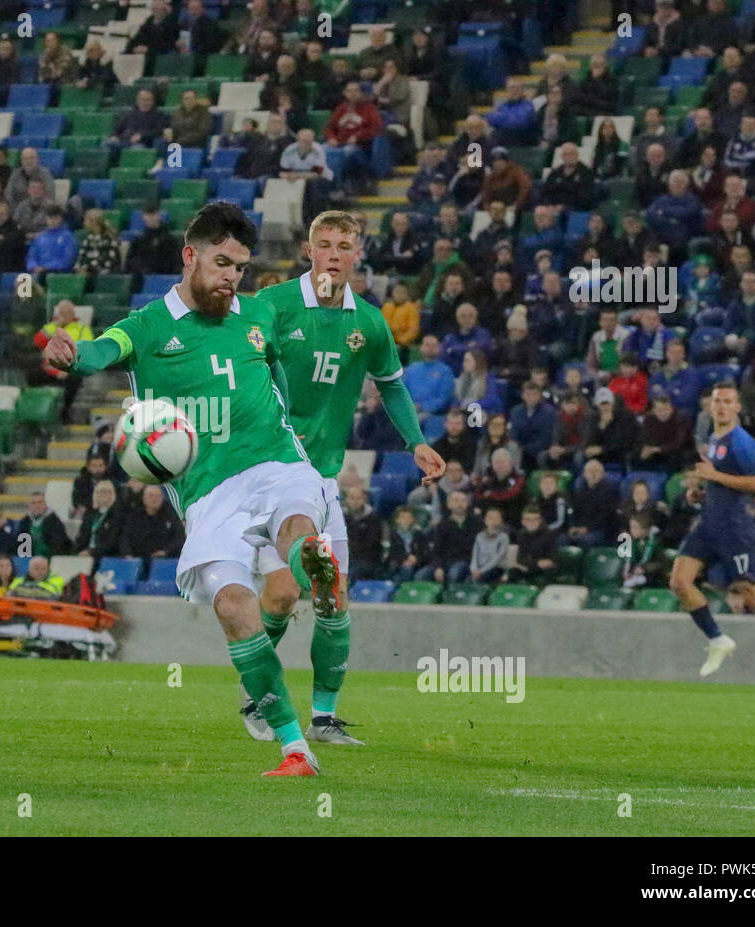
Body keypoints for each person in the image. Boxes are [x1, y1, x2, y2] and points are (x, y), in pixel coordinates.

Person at [44, 202, 352, 776]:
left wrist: (287, 419)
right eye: (221, 263)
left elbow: (276, 372)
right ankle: (295, 748)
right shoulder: (147, 326)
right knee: (235, 608)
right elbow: (99, 352)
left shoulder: (257, 316)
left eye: (239, 267)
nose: (231, 277)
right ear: (190, 256)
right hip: (207, 493)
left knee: (296, 524)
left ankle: (310, 558)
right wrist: (71, 354)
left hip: (276, 460)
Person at [253, 211, 445, 741]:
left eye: (344, 245)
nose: (334, 254)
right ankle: (258, 694)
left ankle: (322, 717)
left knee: (333, 598)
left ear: (357, 254)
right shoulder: (273, 307)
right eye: (325, 244)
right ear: (309, 252)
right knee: (282, 597)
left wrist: (418, 442)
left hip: (321, 480)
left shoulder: (370, 321)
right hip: (269, 474)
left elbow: (392, 385)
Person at [670, 382, 755, 683]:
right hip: (709, 522)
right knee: (678, 582)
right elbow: (724, 484)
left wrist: (714, 476)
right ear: (710, 405)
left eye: (728, 401)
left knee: (752, 593)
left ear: (737, 407)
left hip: (734, 528)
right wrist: (703, 492)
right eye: (717, 401)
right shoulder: (714, 438)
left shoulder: (742, 442)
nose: (722, 406)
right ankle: (718, 640)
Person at [119, 484, 186, 560]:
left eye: (158, 496)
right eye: (151, 496)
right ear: (143, 498)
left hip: (164, 559)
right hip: (138, 558)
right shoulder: (134, 516)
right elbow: (125, 537)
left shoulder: (171, 514)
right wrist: (127, 554)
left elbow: (179, 537)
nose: (155, 499)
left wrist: (166, 551)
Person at [506, 505, 558, 585]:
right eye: (528, 519)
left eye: (535, 519)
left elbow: (551, 561)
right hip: (529, 567)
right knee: (512, 572)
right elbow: (521, 559)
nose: (532, 522)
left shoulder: (549, 534)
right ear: (523, 521)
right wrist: (534, 564)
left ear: (540, 520)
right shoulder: (521, 534)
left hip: (544, 570)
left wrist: (528, 565)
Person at [74, 480, 124, 560]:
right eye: (100, 492)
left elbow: (112, 542)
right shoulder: (90, 514)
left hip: (105, 556)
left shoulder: (117, 515)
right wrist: (77, 551)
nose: (103, 494)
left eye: (106, 492)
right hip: (85, 555)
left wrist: (91, 552)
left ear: (112, 495)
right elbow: (82, 536)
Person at [16, 491, 71, 558]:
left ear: (45, 504)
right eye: (33, 503)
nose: (37, 505)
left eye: (40, 502)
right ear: (29, 505)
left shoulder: (54, 520)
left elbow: (60, 542)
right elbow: (21, 545)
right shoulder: (25, 521)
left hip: (50, 558)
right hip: (30, 560)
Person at [470, 507, 510, 583]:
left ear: (501, 521)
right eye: (490, 517)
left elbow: (498, 558)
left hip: (496, 567)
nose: (493, 520)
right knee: (468, 579)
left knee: (482, 578)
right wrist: (473, 569)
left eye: (496, 518)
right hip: (479, 567)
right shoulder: (479, 536)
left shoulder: (504, 537)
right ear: (485, 520)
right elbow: (475, 554)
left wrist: (481, 571)